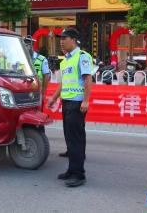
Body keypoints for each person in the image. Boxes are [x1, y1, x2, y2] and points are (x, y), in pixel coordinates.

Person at [47, 28, 92, 188]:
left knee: (76, 139)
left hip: (77, 103)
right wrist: (54, 98)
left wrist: (86, 101)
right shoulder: (65, 60)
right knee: (69, 138)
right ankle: (71, 170)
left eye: (64, 38)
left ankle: (79, 174)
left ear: (73, 39)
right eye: (60, 38)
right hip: (66, 102)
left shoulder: (82, 57)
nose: (61, 41)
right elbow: (63, 83)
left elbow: (87, 79)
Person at [24, 35, 51, 100]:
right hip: (24, 91)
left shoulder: (41, 59)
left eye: (27, 46)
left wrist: (43, 93)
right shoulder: (21, 59)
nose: (25, 48)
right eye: (23, 46)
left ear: (31, 46)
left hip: (37, 91)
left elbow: (46, 76)